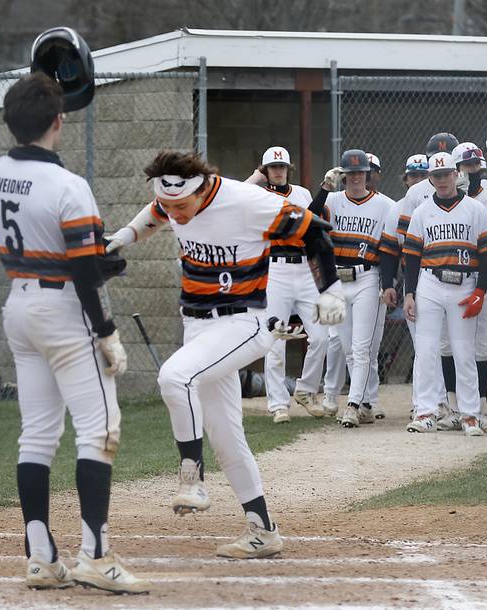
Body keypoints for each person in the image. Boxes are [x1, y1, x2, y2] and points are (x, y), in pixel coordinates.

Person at [106, 149, 345, 559]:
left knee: (174, 377)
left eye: (182, 206)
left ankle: (191, 478)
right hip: (198, 325)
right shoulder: (174, 202)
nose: (175, 214)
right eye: (170, 205)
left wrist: (330, 290)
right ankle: (263, 530)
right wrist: (123, 237)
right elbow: (155, 213)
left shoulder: (247, 200)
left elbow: (314, 231)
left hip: (246, 321)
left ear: (200, 192)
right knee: (225, 435)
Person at [0, 72, 150, 594]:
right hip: (63, 311)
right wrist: (107, 331)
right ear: (59, 122)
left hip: (20, 305)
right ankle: (95, 556)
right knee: (100, 429)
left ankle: (40, 557)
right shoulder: (68, 185)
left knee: (37, 433)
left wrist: (98, 264)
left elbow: (71, 255)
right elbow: (82, 269)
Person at [403, 152, 487, 436]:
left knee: (463, 350)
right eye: (436, 175)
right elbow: (412, 255)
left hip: (465, 284)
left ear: (457, 174)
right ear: (430, 178)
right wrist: (409, 293)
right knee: (427, 349)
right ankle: (426, 411)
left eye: (446, 174)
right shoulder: (421, 211)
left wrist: (480, 290)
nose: (441, 180)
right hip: (430, 283)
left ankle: (470, 415)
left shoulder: (474, 209)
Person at [244, 147, 327, 423]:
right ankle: (278, 404)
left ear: (288, 168)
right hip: (275, 269)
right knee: (276, 339)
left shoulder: (302, 193)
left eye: (282, 166)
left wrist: (324, 189)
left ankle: (305, 390)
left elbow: (313, 220)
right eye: (272, 167)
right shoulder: (257, 193)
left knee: (321, 336)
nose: (278, 170)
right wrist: (255, 177)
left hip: (303, 269)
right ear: (264, 169)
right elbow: (235, 195)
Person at [316, 150, 392, 428]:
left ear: (369, 174)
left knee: (361, 349)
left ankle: (353, 404)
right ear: (344, 174)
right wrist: (324, 189)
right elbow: (309, 220)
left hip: (366, 279)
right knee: (347, 348)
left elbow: (389, 249)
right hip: (335, 279)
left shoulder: (385, 205)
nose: (358, 177)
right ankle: (363, 402)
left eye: (362, 172)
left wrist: (388, 284)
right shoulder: (333, 200)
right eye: (352, 172)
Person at [381, 154, 447, 419]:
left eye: (422, 174)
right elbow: (389, 251)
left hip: (447, 283)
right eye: (413, 175)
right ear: (405, 178)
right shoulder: (398, 209)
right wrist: (390, 284)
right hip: (416, 281)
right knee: (425, 345)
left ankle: (444, 401)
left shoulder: (450, 200)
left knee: (447, 345)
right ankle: (425, 403)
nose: (417, 179)